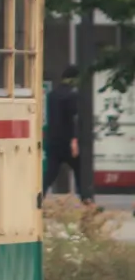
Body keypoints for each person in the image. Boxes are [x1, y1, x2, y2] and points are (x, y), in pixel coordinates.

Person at [44, 67, 85, 199]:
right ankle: (85, 199)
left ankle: (39, 198)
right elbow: (72, 118)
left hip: (53, 140)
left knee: (51, 172)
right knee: (80, 171)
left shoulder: (52, 95)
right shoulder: (72, 96)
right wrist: (74, 140)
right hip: (68, 141)